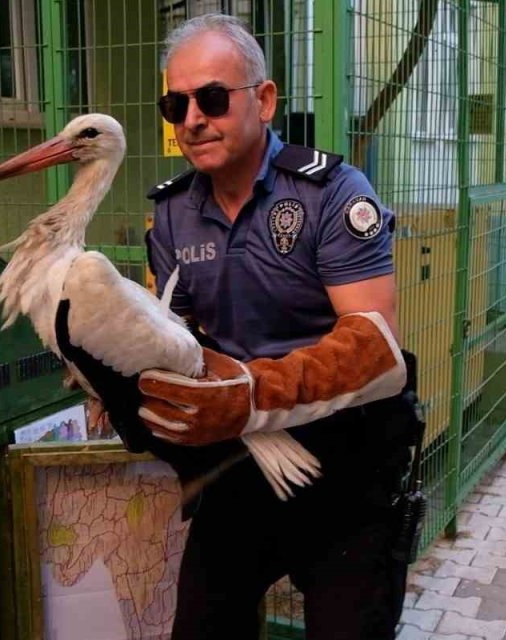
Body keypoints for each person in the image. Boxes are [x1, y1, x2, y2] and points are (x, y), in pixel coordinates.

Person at [126, 13, 425, 640]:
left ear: (264, 100)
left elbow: (374, 347)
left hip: (348, 467)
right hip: (239, 467)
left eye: (211, 98)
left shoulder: (333, 194)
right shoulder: (172, 214)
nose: (191, 120)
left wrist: (250, 396)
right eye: (174, 104)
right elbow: (178, 342)